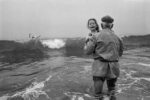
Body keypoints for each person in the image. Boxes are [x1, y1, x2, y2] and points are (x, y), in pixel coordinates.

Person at [84, 16, 123, 100]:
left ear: (101, 25)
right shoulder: (119, 37)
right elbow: (120, 53)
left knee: (98, 94)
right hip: (114, 66)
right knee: (112, 92)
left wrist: (87, 41)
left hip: (100, 66)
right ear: (112, 26)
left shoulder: (96, 36)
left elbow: (87, 51)